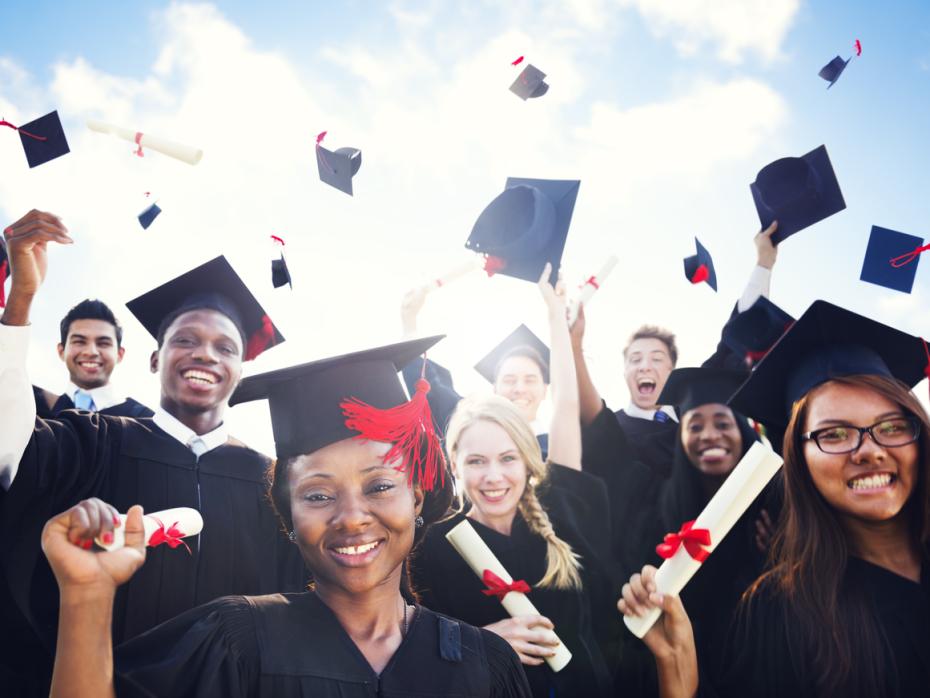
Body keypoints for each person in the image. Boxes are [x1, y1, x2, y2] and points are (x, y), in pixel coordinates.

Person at [42, 337, 532, 697]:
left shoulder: (487, 667)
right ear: (288, 516)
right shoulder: (234, 641)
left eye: (380, 485)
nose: (352, 516)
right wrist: (87, 596)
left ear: (418, 498)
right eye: (318, 495)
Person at [0, 210, 306, 697]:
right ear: (153, 358)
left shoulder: (271, 482)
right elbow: (8, 445)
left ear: (239, 372)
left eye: (226, 347)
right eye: (185, 340)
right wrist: (21, 301)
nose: (205, 354)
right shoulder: (91, 440)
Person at [619, 300, 930, 698]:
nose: (868, 450)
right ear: (797, 459)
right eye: (833, 434)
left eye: (890, 426)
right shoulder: (778, 615)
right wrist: (681, 683)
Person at [409, 265, 618, 697]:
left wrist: (556, 318)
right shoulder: (432, 548)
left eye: (508, 459)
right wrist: (482, 643)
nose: (493, 477)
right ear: (456, 465)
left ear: (529, 462)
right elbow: (414, 655)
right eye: (476, 461)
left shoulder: (559, 516)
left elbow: (565, 406)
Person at [574, 222, 780, 475]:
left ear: (672, 369)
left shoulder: (699, 404)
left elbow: (735, 342)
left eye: (657, 358)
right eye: (635, 359)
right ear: (624, 371)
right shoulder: (613, 430)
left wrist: (763, 263)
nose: (645, 366)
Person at [401, 283, 553, 454]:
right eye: (509, 380)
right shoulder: (467, 425)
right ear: (495, 388)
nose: (519, 388)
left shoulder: (560, 450)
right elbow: (431, 390)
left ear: (545, 390)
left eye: (529, 380)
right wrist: (409, 324)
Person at [32, 298, 153, 418]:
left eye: (103, 343)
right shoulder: (34, 409)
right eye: (79, 341)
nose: (91, 352)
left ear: (119, 354)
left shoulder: (144, 421)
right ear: (61, 351)